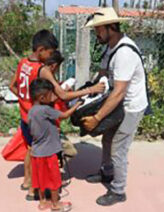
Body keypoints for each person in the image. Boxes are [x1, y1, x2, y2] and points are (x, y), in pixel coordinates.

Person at [9, 30, 105, 200]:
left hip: (25, 117)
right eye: (50, 52)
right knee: (39, 154)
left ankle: (26, 181)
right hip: (39, 121)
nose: (51, 56)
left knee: (30, 150)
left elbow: (12, 87)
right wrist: (91, 89)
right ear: (40, 49)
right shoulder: (42, 69)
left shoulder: (23, 63)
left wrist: (25, 101)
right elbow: (63, 95)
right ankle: (33, 190)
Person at [82, 7, 150, 206]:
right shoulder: (110, 47)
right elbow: (103, 75)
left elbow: (119, 91)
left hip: (130, 106)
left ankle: (118, 190)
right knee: (107, 140)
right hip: (118, 103)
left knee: (118, 149)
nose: (96, 34)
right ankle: (107, 173)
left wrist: (96, 117)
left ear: (110, 27)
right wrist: (89, 92)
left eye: (98, 30)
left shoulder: (124, 53)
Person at [28, 78, 82, 211]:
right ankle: (56, 204)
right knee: (54, 180)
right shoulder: (46, 109)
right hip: (49, 152)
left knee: (40, 180)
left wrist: (52, 129)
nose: (54, 97)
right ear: (42, 97)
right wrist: (76, 106)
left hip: (36, 152)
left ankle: (42, 203)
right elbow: (64, 115)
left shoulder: (32, 111)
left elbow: (36, 129)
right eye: (51, 94)